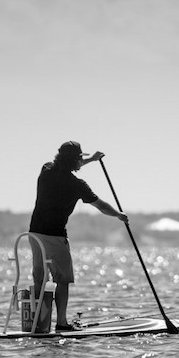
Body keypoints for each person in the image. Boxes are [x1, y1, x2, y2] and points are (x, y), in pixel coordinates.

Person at [28, 140, 128, 331]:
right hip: (55, 236)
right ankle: (62, 323)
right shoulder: (77, 184)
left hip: (34, 234)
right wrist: (118, 215)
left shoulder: (46, 170)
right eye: (79, 158)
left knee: (40, 280)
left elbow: (73, 162)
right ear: (75, 160)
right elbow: (101, 206)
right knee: (62, 280)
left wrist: (91, 159)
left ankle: (38, 324)